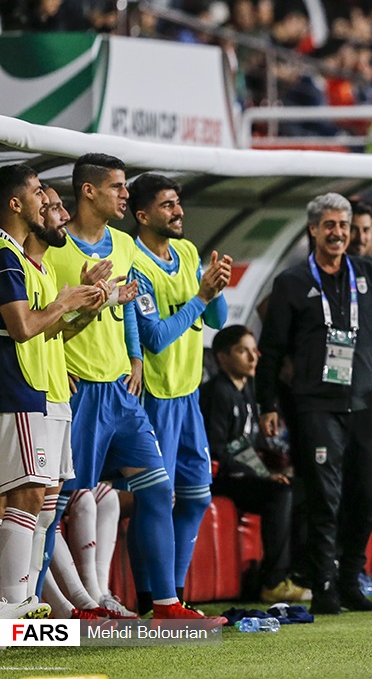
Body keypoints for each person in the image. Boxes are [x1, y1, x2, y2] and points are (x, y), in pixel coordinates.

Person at [44, 153, 209, 621]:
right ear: (88, 191)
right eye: (117, 186)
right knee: (51, 509)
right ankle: (40, 608)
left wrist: (134, 356)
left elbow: (127, 303)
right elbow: (41, 317)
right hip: (79, 393)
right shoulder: (54, 247)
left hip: (120, 392)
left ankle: (165, 603)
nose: (124, 194)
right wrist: (57, 363)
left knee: (158, 490)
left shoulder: (122, 244)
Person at [257, 192, 372, 615]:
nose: (339, 233)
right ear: (313, 230)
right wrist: (267, 404)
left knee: (369, 494)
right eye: (330, 225)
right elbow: (271, 351)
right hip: (315, 404)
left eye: (344, 225)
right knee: (324, 497)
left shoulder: (366, 273)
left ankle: (349, 579)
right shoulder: (291, 281)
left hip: (363, 402)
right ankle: (322, 583)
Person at [26, 183, 137, 620]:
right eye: (51, 207)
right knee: (30, 509)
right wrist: (73, 301)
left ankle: (76, 603)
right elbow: (25, 329)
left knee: (43, 511)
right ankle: (34, 609)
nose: (61, 215)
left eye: (58, 206)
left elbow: (56, 332)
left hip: (55, 395)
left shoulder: (40, 267)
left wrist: (92, 303)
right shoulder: (14, 262)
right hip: (30, 397)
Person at [0, 164, 103, 620]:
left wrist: (83, 304)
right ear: (15, 203)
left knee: (38, 498)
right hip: (18, 387)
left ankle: (24, 603)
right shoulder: (6, 255)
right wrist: (64, 301)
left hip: (38, 390)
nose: (46, 200)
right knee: (27, 494)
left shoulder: (21, 259)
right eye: (38, 192)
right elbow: (23, 328)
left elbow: (48, 329)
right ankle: (13, 604)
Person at [127, 173, 231, 612]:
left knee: (197, 496)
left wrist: (215, 289)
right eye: (167, 205)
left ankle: (175, 592)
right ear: (142, 214)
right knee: (155, 499)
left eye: (177, 202)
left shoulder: (187, 252)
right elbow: (154, 338)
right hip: (155, 395)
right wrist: (201, 297)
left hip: (189, 394)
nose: (178, 211)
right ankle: (151, 597)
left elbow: (217, 321)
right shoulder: (134, 262)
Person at [200, 324, 310, 603]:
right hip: (218, 478)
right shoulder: (217, 392)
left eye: (254, 351)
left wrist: (268, 471)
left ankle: (298, 573)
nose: (252, 358)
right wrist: (259, 475)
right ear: (222, 357)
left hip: (243, 474)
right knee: (278, 493)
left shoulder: (247, 390)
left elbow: (245, 446)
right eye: (242, 351)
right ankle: (272, 582)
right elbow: (216, 451)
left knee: (302, 490)